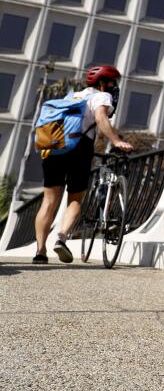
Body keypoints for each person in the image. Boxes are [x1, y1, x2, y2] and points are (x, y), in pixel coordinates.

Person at [33, 65, 133, 264]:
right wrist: (116, 141)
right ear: (104, 83)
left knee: (48, 201)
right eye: (113, 83)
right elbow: (101, 118)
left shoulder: (72, 96)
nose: (114, 87)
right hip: (79, 148)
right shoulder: (101, 97)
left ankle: (40, 251)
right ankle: (61, 237)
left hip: (54, 148)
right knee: (75, 199)